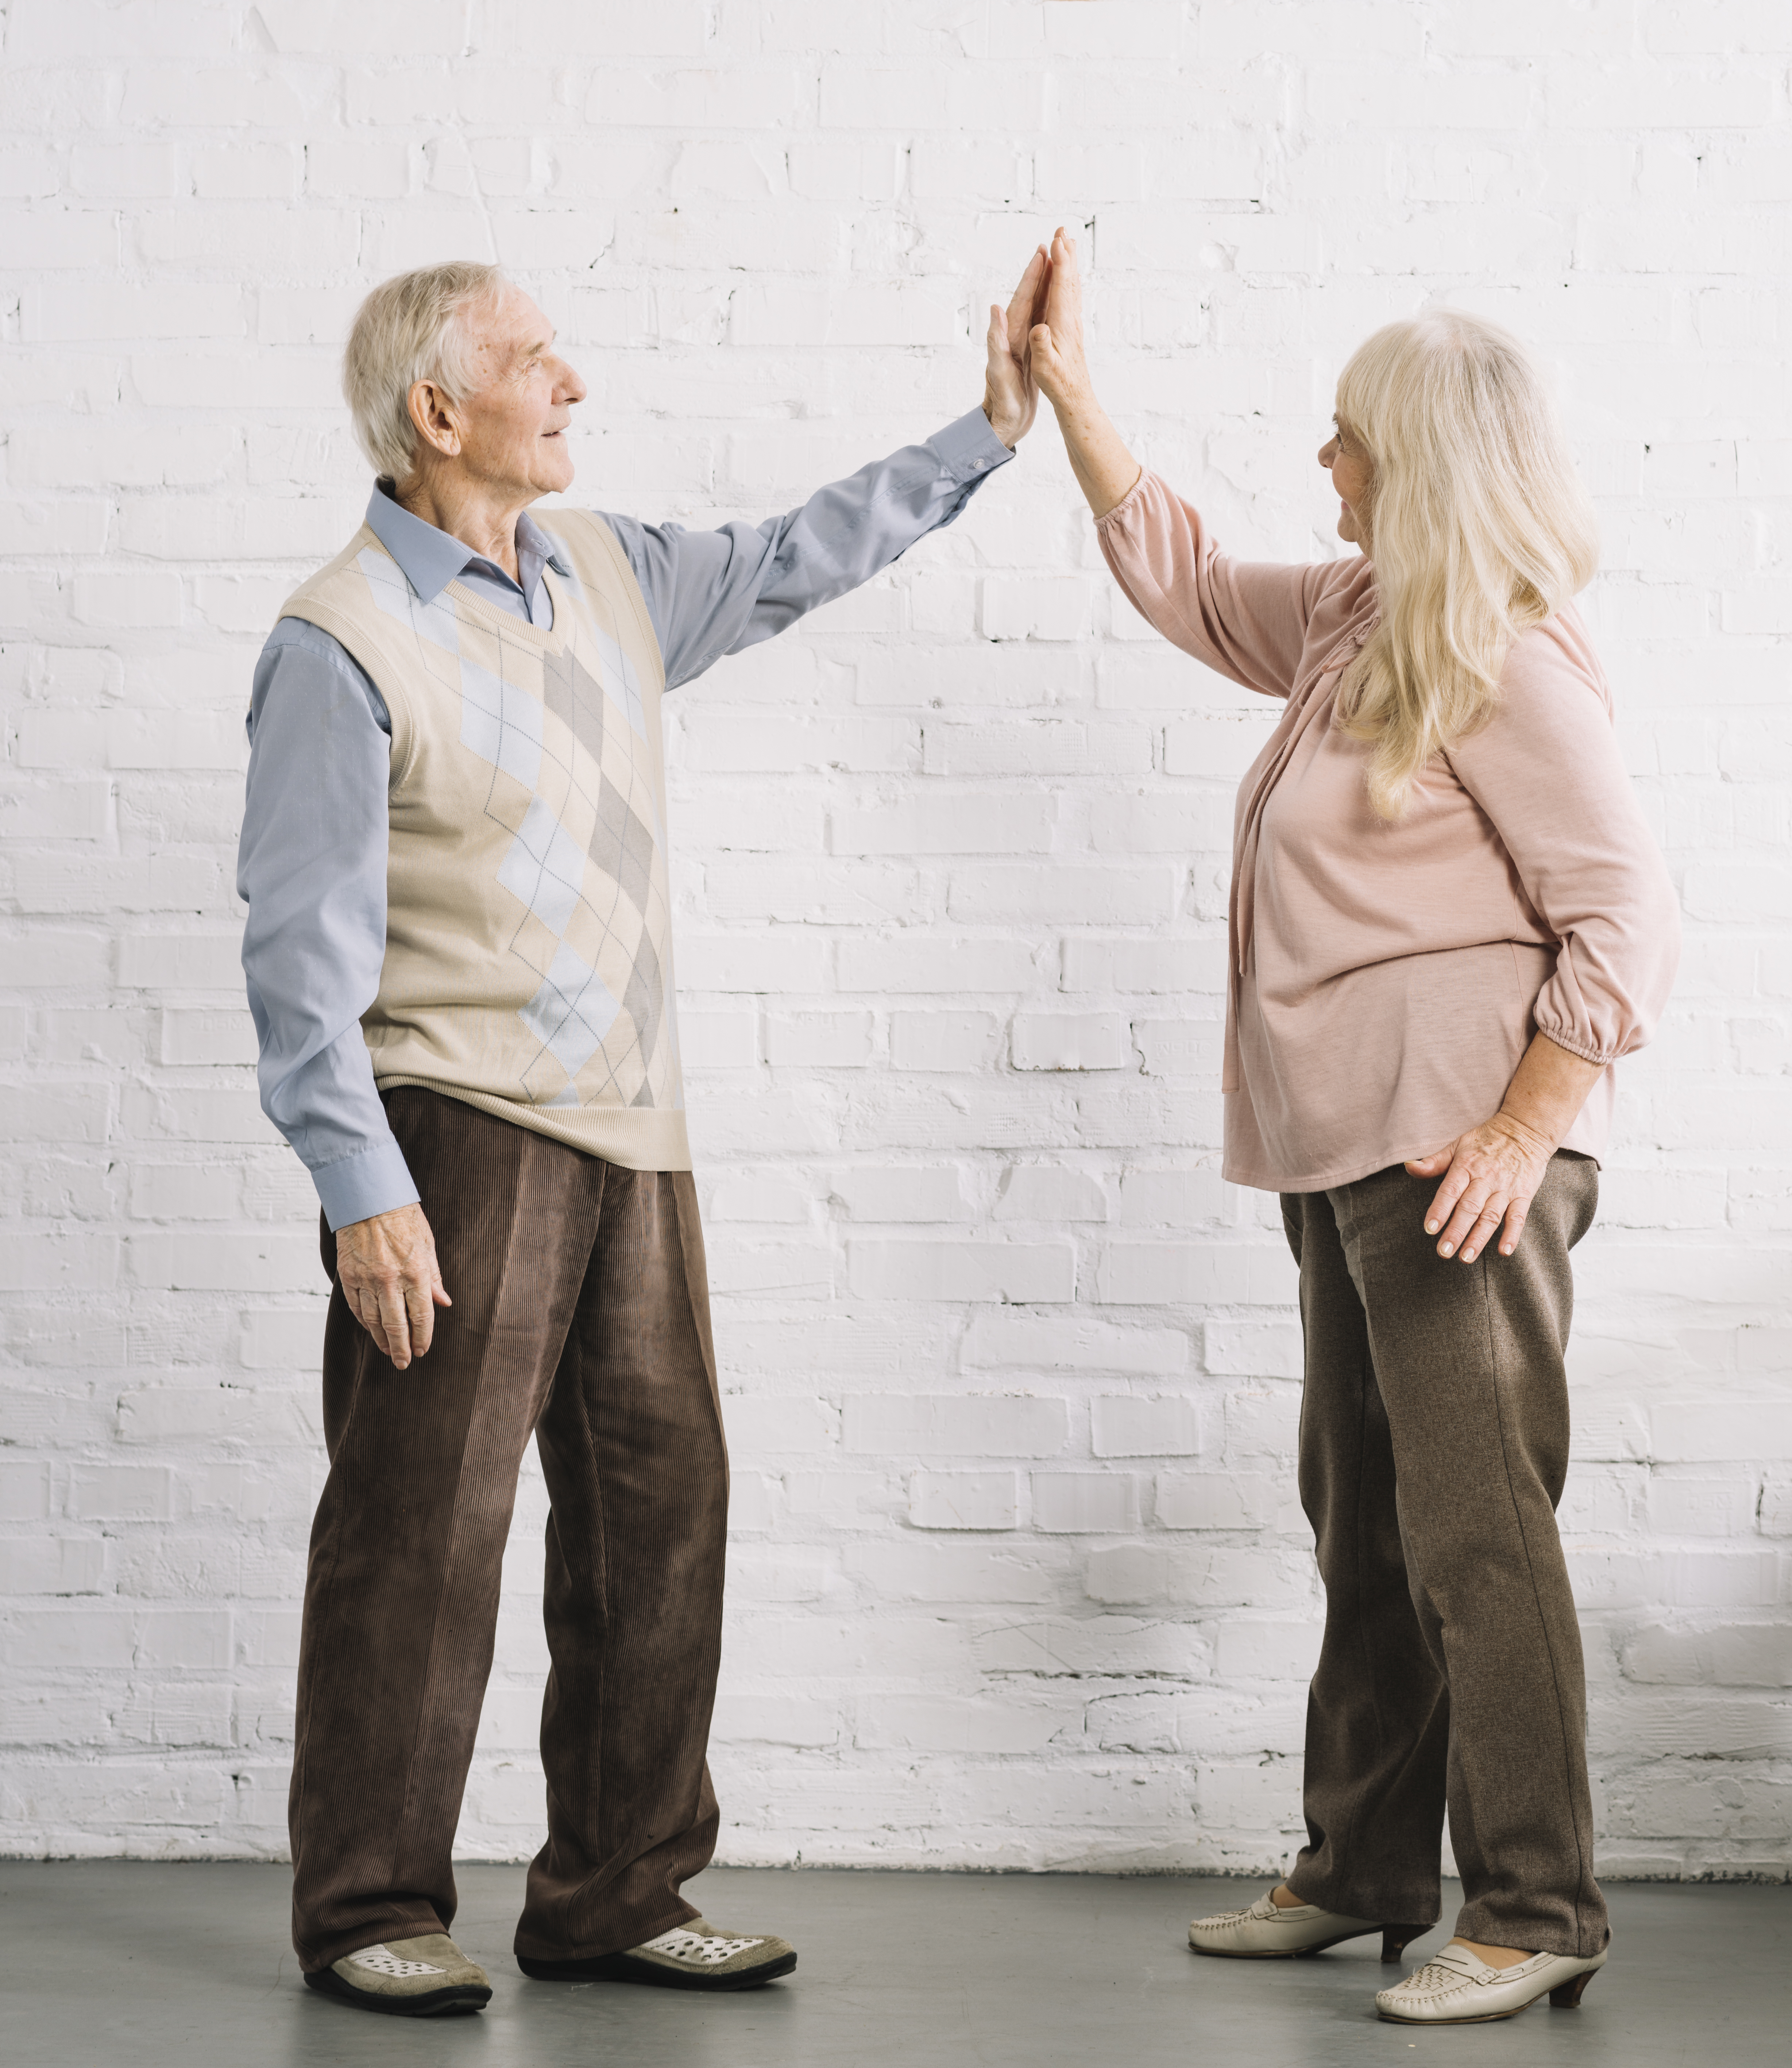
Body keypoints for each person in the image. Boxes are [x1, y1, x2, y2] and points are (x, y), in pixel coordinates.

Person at [238, 253, 1046, 2017]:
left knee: (661, 1505)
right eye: (538, 363)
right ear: (439, 413)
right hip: (452, 1128)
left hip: (635, 1127)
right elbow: (297, 954)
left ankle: (616, 1889)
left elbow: (788, 559)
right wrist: (359, 1189)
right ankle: (370, 1903)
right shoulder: (342, 639)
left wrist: (988, 430)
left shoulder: (605, 572)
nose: (575, 382)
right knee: (419, 1524)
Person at [1027, 231, 1679, 2030]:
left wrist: (1523, 1126)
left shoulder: (1502, 651)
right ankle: (1367, 1866)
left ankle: (1535, 1904)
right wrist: (1072, 397)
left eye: (1345, 440)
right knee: (1365, 1513)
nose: (1321, 464)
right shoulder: (1350, 617)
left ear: (1421, 460)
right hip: (1345, 1151)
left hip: (1457, 1157)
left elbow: (1629, 915)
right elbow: (1176, 570)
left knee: (1477, 1525)